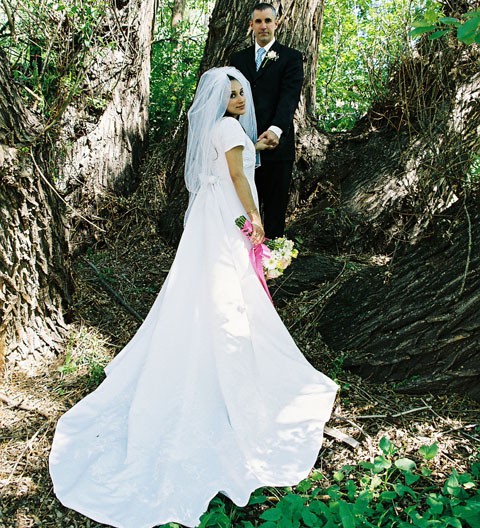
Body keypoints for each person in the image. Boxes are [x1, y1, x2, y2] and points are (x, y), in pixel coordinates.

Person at [49, 67, 337, 528]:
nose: (241, 98)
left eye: (243, 92)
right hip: (229, 214)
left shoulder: (215, 130)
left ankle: (199, 348)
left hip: (208, 214)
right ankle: (226, 369)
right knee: (229, 294)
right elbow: (241, 181)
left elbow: (231, 165)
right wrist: (256, 220)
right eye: (233, 93)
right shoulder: (228, 127)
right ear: (219, 99)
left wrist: (255, 149)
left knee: (202, 289)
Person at [231, 2, 304, 239]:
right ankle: (246, 259)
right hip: (243, 144)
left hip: (276, 147)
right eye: (258, 21)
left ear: (277, 24)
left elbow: (289, 97)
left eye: (268, 21)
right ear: (251, 25)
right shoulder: (238, 59)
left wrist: (275, 130)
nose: (263, 26)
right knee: (244, 206)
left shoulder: (291, 58)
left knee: (274, 211)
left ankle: (271, 263)